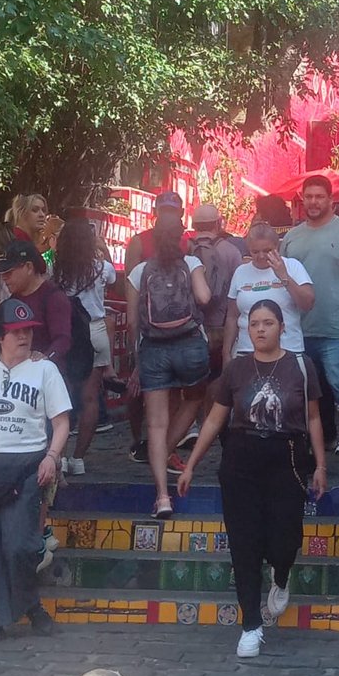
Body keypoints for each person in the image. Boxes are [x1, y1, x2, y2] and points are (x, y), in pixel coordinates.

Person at [177, 300, 326, 657]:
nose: (260, 329)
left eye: (268, 323)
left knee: (285, 536)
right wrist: (191, 463)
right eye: (254, 323)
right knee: (244, 543)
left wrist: (320, 464)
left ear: (281, 327)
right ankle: (250, 625)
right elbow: (215, 419)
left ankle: (281, 573)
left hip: (286, 457)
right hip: (241, 459)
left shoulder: (301, 368)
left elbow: (314, 419)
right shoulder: (237, 370)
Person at [0, 298, 72, 638]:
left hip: (28, 464)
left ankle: (29, 605)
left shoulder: (45, 370)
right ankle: (3, 617)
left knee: (19, 546)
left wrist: (51, 457)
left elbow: (62, 422)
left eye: (28, 331)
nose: (24, 337)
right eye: (16, 332)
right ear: (0, 336)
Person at [126, 217, 211, 519]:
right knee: (194, 399)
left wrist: (136, 360)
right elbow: (204, 297)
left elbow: (134, 320)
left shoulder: (139, 270)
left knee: (156, 425)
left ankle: (162, 497)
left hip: (153, 349)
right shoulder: (191, 262)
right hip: (189, 344)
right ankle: (165, 452)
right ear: (181, 238)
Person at [280, 176, 339, 459]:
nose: (314, 202)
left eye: (319, 196)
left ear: (331, 200)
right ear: (301, 199)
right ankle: (323, 440)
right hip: (299, 329)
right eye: (309, 196)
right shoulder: (292, 237)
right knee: (310, 392)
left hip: (338, 328)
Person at [52, 220, 118, 476]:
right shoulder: (101, 268)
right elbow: (114, 277)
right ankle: (79, 458)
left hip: (67, 333)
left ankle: (60, 453)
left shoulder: (55, 269)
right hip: (96, 331)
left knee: (63, 397)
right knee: (90, 398)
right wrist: (101, 245)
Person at [224, 223, 314, 362]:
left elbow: (308, 303)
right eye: (255, 251)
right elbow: (232, 316)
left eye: (267, 250)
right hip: (247, 350)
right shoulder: (241, 272)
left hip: (288, 349)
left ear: (277, 246)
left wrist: (284, 276)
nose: (261, 256)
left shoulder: (292, 266)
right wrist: (226, 353)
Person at [0, 240, 72, 374]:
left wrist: (45, 359)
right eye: (2, 273)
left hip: (48, 378)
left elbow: (63, 340)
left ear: (29, 267)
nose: (4, 278)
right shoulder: (12, 300)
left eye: (9, 272)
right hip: (17, 377)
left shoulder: (53, 297)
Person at [189, 203, 243, 383]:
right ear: (218, 223)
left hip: (191, 328)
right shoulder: (231, 251)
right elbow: (239, 291)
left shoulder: (185, 249)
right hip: (222, 327)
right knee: (218, 380)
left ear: (194, 224)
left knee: (193, 386)